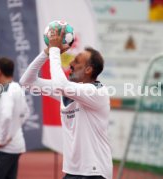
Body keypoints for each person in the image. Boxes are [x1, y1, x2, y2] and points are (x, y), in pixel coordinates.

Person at [20, 27, 112, 179]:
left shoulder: (96, 92)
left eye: (76, 62)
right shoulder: (66, 90)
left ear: (88, 69)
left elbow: (60, 85)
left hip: (95, 172)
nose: (70, 64)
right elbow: (26, 81)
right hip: (73, 171)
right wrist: (46, 52)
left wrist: (55, 51)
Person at [0, 58, 30, 179]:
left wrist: (2, 139)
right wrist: (12, 133)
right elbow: (26, 113)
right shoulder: (17, 88)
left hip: (4, 150)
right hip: (14, 147)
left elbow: (6, 116)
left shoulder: (7, 90)